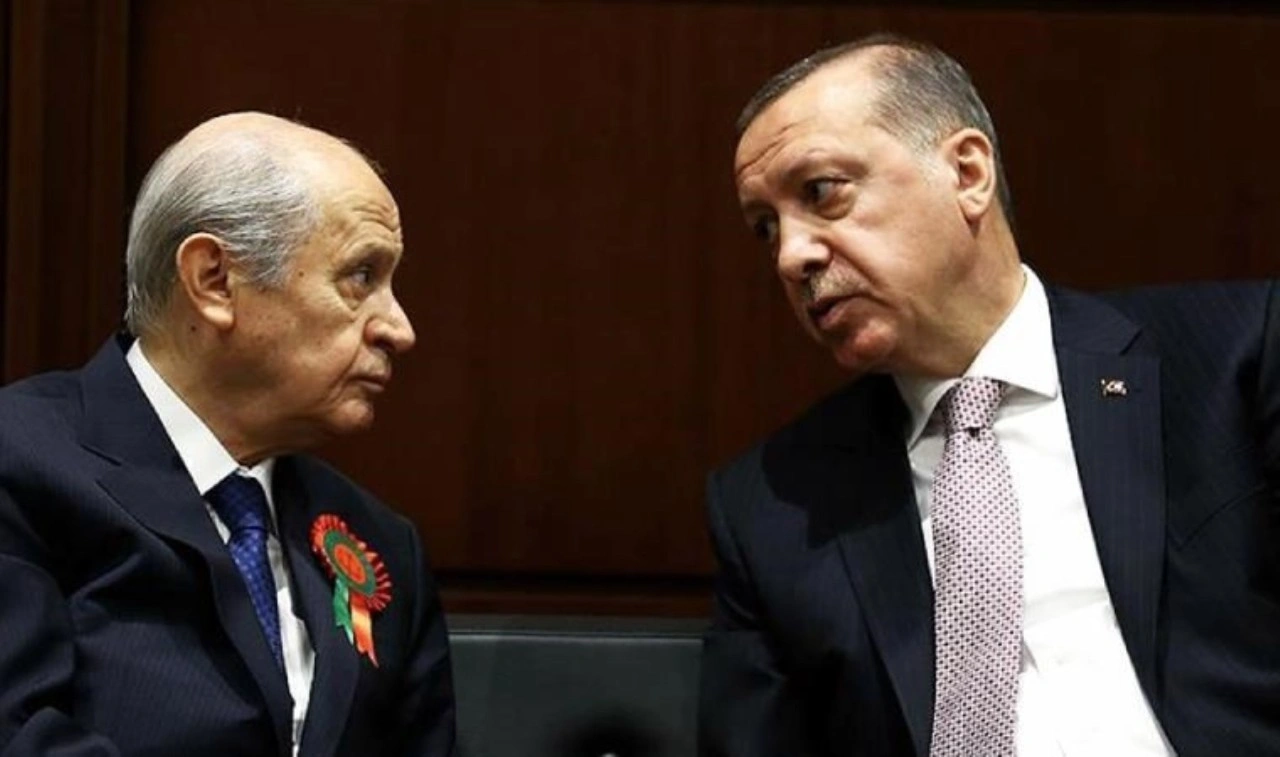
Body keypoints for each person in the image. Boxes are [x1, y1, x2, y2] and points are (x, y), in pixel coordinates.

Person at [699, 33, 1280, 757]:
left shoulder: (1235, 359)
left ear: (967, 172)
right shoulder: (774, 504)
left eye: (821, 193)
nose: (792, 256)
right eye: (767, 227)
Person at [0, 112, 456, 756]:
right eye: (361, 277)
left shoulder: (381, 542)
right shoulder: (19, 462)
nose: (399, 329)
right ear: (214, 280)